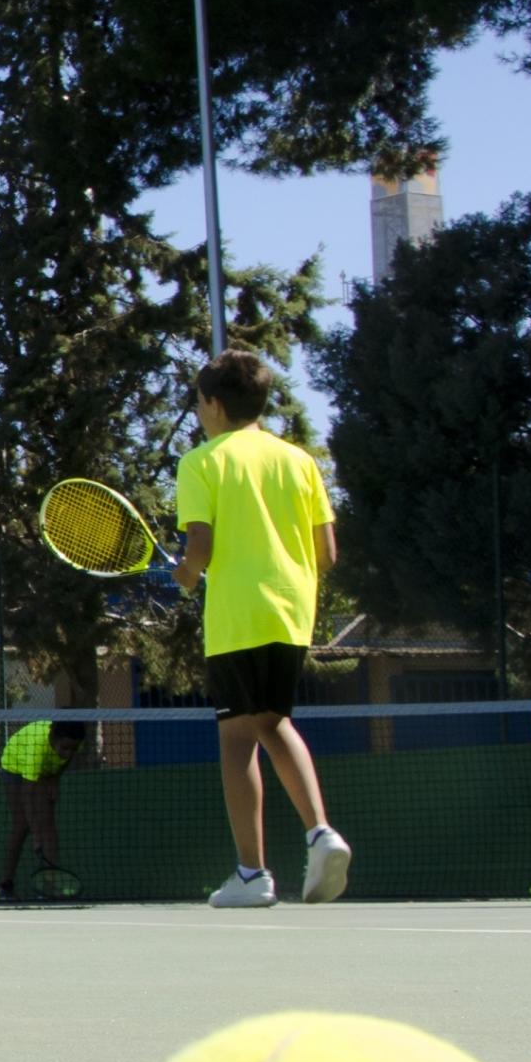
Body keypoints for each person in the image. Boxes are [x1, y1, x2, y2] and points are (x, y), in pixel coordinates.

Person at [172, 350, 351, 908]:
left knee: (235, 739)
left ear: (215, 404)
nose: (199, 413)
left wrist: (186, 574)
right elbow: (327, 553)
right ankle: (320, 833)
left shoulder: (201, 461)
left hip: (238, 619)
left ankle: (251, 874)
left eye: (200, 403)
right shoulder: (300, 461)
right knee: (275, 723)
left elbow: (200, 547)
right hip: (292, 615)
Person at [0, 718, 88, 898]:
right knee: (22, 824)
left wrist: (55, 779)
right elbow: (27, 796)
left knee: (48, 825)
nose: (68, 753)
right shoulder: (35, 750)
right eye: (64, 747)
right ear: (54, 737)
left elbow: (67, 760)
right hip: (15, 766)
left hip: (47, 770)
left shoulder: (75, 741)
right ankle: (6, 885)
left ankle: (49, 887)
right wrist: (36, 835)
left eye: (72, 749)